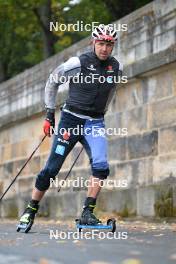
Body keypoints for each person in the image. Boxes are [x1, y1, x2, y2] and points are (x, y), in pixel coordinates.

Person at [18, 24, 123, 228]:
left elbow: (111, 91)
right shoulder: (78, 62)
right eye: (101, 43)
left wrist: (104, 111)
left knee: (101, 166)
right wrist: (49, 114)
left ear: (113, 45)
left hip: (95, 122)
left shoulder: (116, 67)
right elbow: (52, 82)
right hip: (70, 120)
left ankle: (87, 213)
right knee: (51, 169)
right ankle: (30, 210)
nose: (104, 49)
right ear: (93, 42)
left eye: (109, 45)